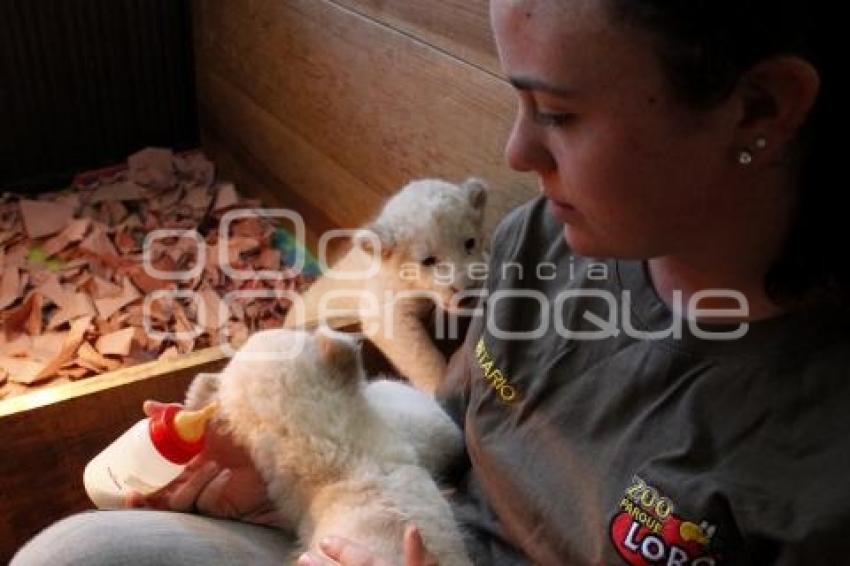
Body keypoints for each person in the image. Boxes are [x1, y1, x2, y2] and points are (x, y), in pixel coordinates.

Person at [13, 0, 843, 564]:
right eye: (518, 102)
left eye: (560, 113)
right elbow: (444, 437)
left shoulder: (812, 467)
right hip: (414, 529)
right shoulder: (542, 242)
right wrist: (293, 454)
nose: (517, 154)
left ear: (761, 109)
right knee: (78, 551)